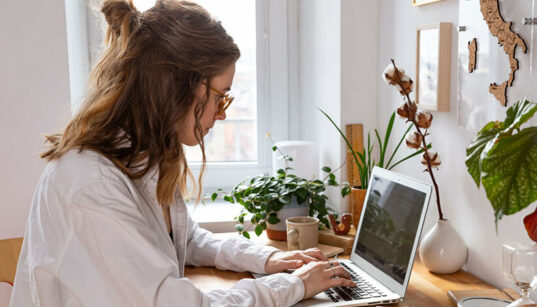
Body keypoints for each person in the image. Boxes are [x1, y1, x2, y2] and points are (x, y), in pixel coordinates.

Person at [9, 0, 355, 306]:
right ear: (176, 86)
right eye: (221, 97)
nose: (222, 114)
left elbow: (184, 238)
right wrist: (290, 286)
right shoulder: (91, 186)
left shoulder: (145, 158)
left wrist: (266, 260)